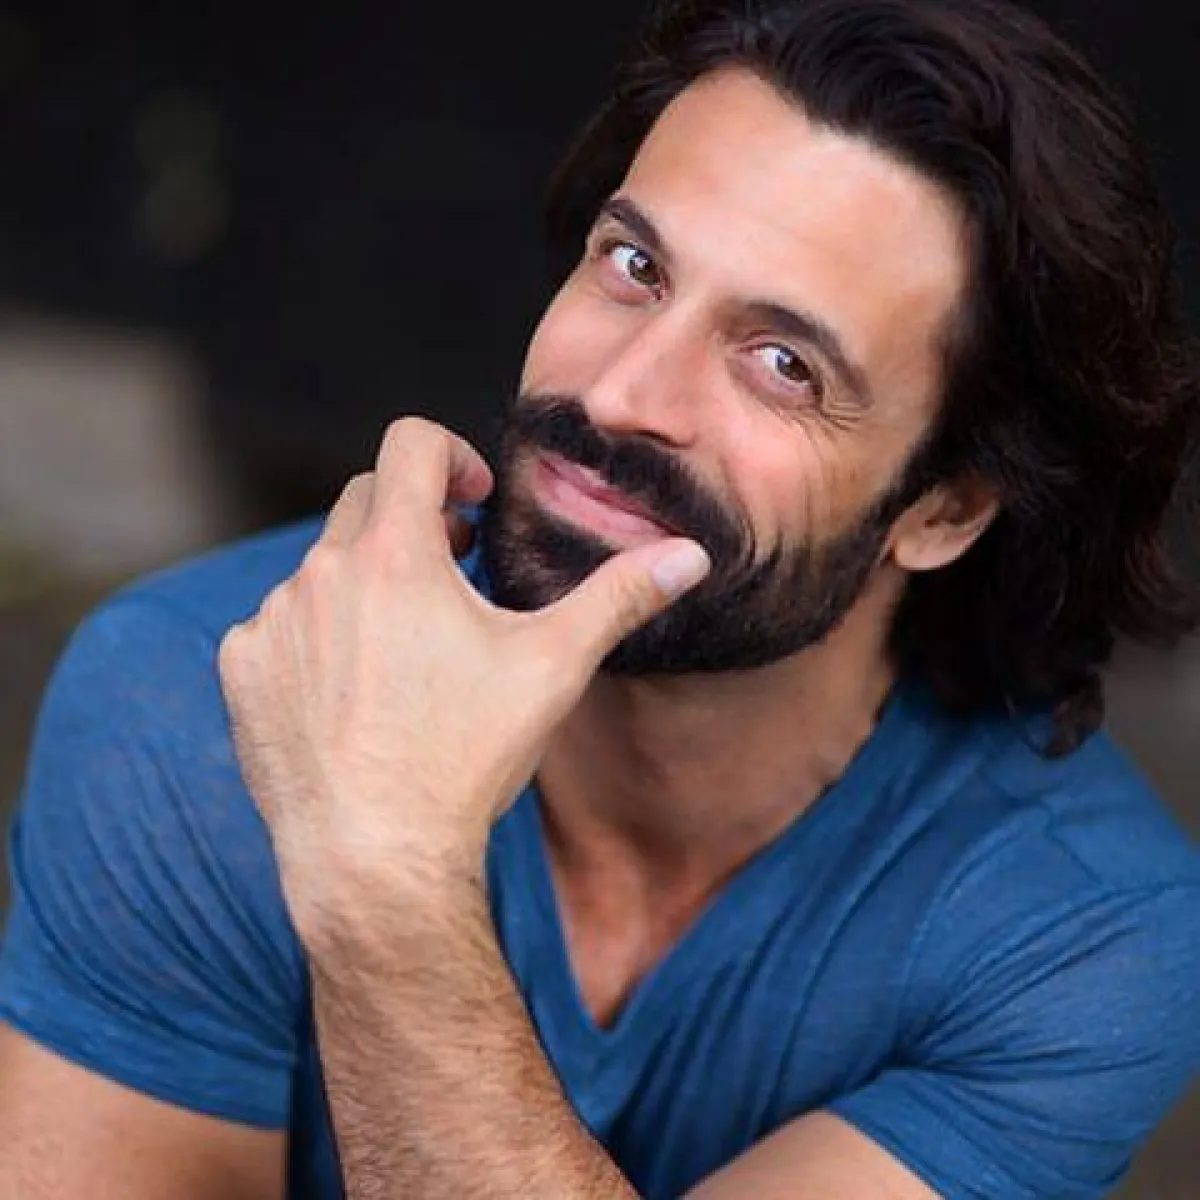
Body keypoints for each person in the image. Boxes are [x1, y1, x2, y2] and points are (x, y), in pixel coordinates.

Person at [2, 0, 1199, 1196]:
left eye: (784, 365)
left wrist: (388, 885)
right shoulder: (202, 695)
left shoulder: (1074, 932)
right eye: (634, 267)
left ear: (942, 510)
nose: (625, 395)